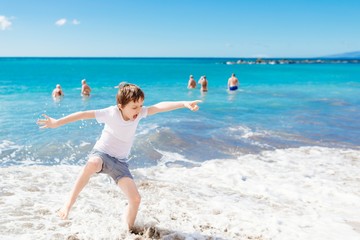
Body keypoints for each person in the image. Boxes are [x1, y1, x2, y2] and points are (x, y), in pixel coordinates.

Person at [37, 82, 201, 231]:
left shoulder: (140, 112)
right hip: (102, 154)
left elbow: (159, 107)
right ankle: (68, 204)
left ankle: (127, 229)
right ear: (120, 106)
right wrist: (57, 122)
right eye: (134, 107)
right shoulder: (110, 113)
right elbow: (82, 114)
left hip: (120, 163)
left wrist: (184, 103)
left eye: (141, 106)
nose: (139, 110)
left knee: (135, 199)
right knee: (93, 163)